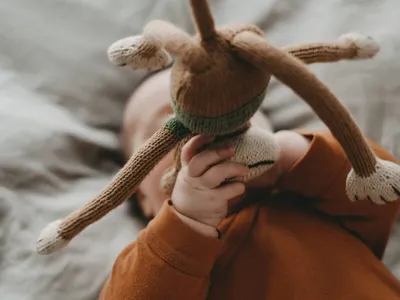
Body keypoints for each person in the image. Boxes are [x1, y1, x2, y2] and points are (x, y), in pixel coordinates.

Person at [100, 68, 400, 299]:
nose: (204, 129)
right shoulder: (152, 261)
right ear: (142, 197)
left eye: (229, 111)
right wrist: (185, 222)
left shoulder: (311, 199)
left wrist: (287, 156)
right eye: (167, 126)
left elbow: (383, 184)